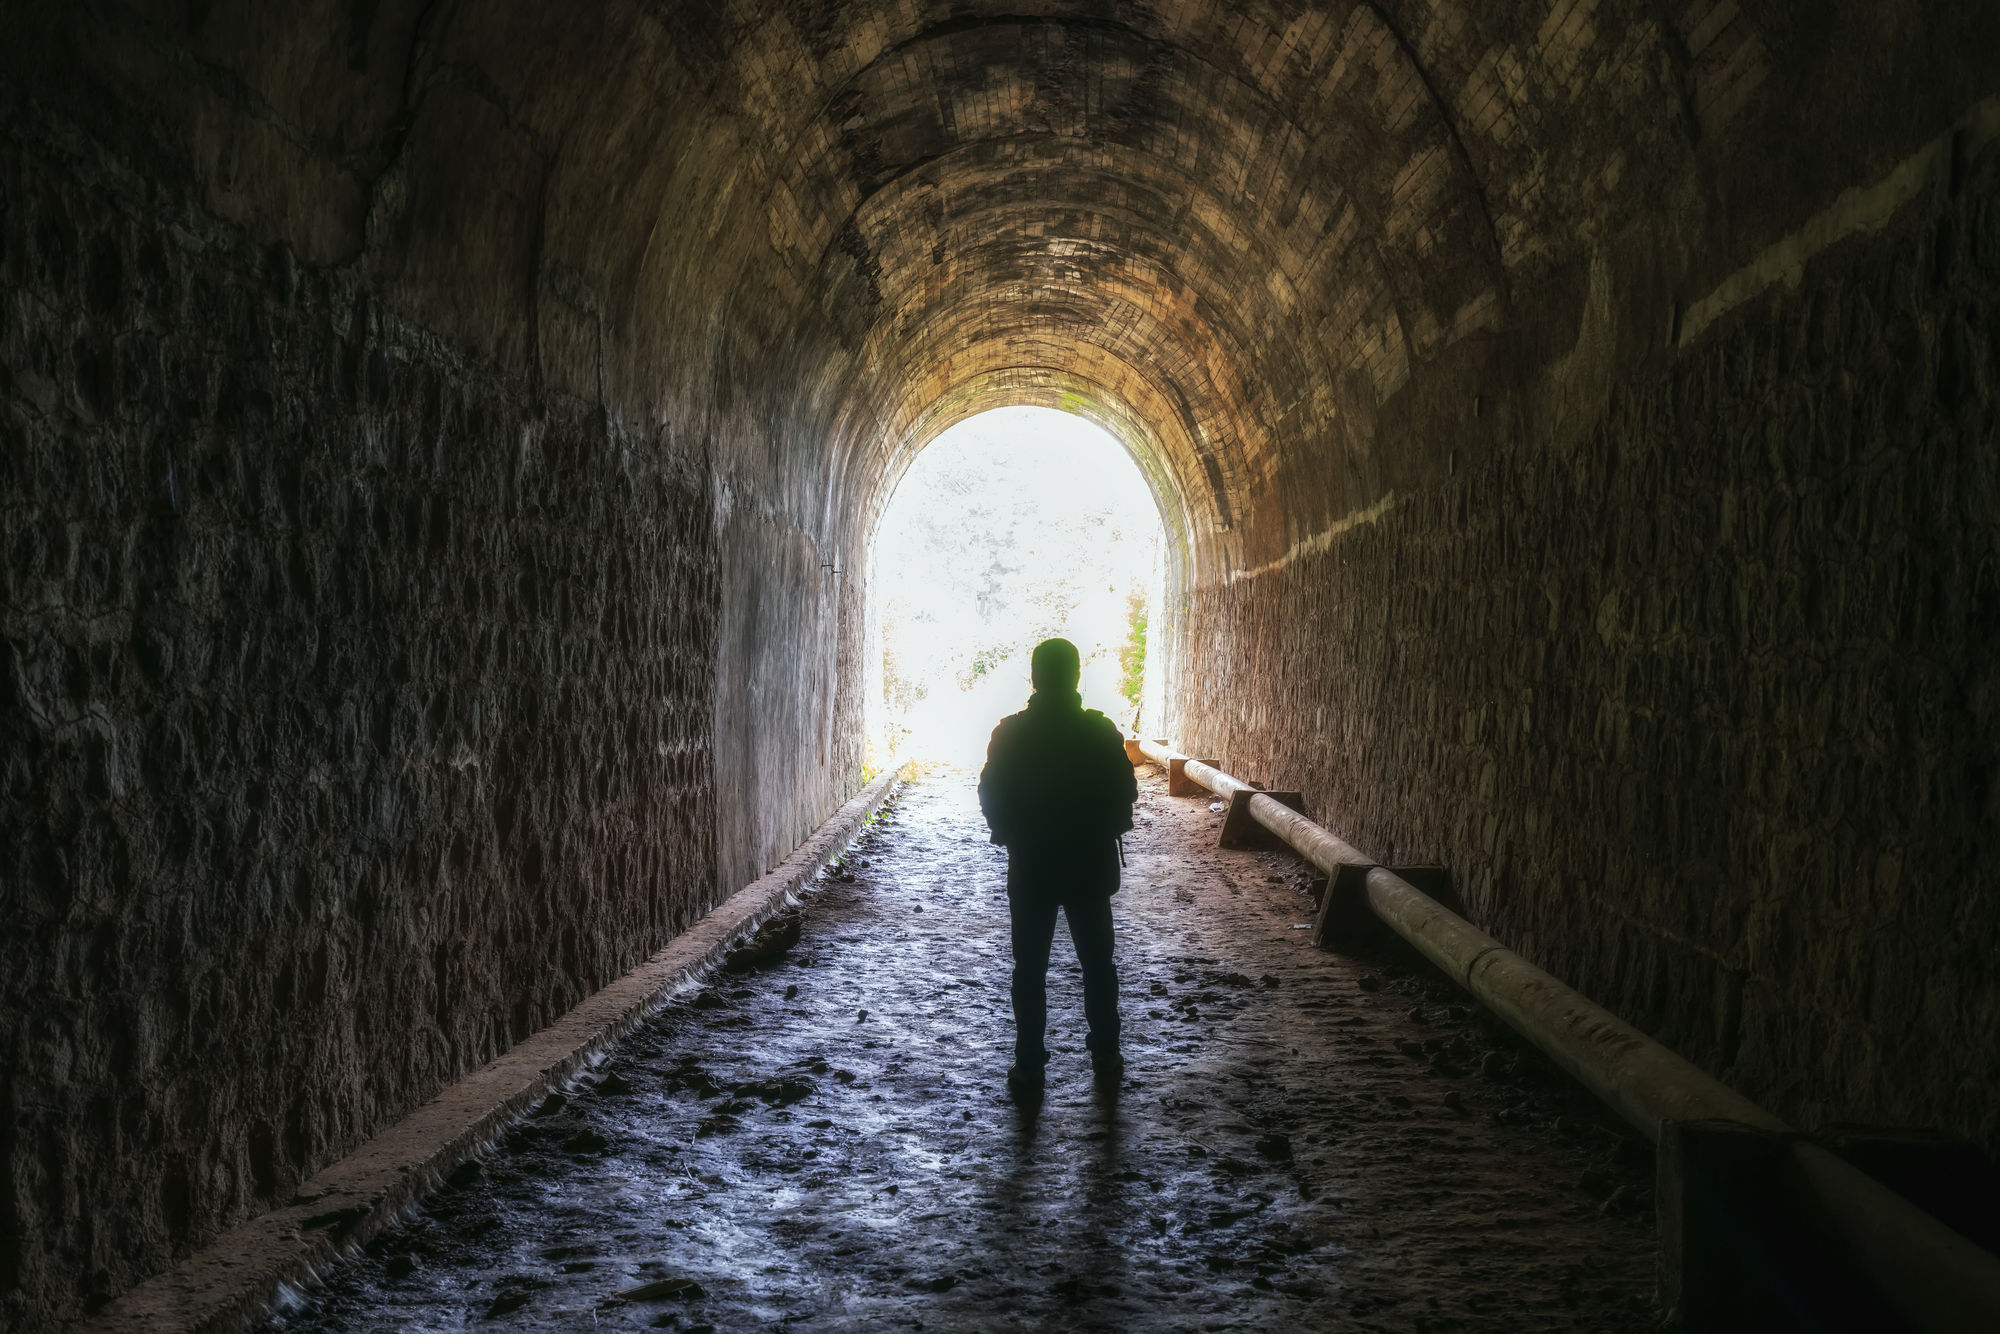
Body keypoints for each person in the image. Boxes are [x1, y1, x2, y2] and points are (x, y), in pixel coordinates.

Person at [978, 637, 1138, 1093]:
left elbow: (991, 792)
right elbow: (1125, 792)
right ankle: (1105, 1054)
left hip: (1032, 864)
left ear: (1033, 678)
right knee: (1098, 964)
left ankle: (1029, 1064)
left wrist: (1009, 833)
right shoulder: (1099, 731)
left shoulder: (1010, 732)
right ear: (1076, 678)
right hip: (1088, 863)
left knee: (1029, 967)